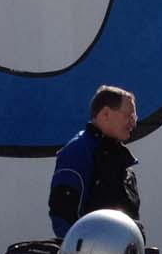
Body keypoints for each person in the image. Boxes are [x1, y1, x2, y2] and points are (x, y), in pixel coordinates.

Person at [48, 86, 139, 239]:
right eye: (128, 116)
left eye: (134, 117)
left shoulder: (119, 158)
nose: (133, 123)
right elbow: (63, 216)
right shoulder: (77, 152)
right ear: (105, 114)